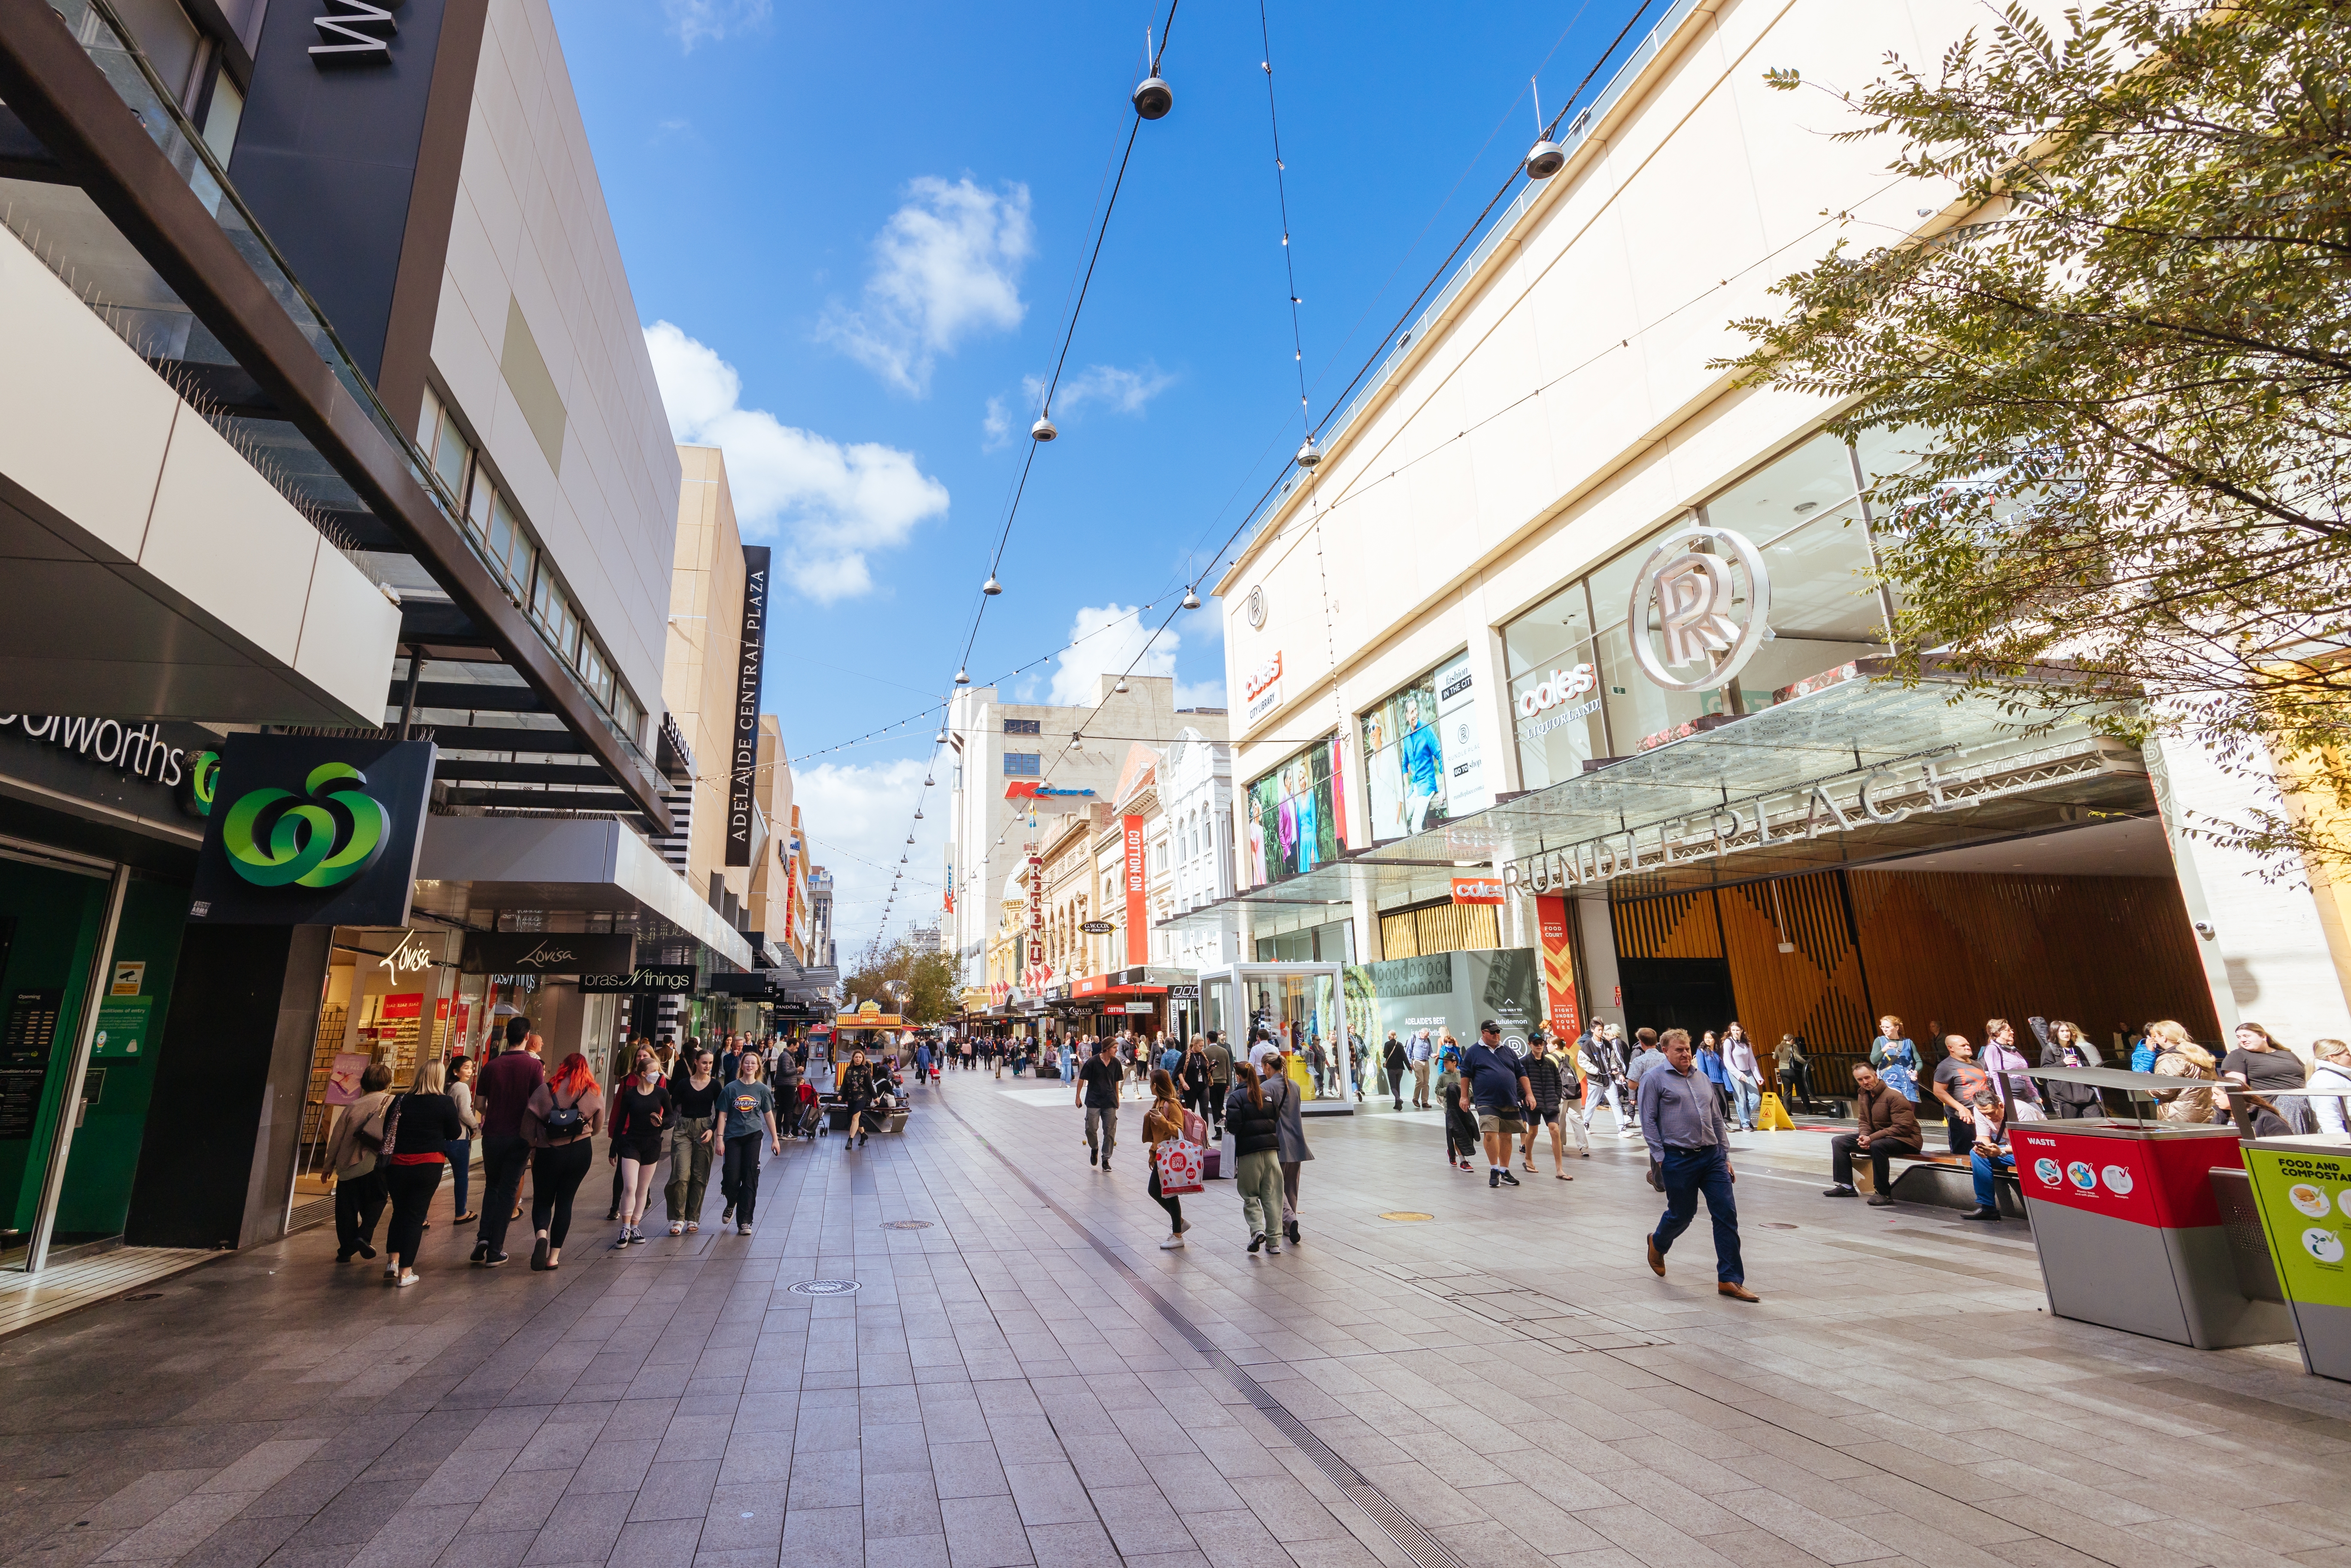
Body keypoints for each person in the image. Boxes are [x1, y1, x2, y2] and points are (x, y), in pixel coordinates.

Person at [1639, 1029, 1756, 1300]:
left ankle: (1729, 1279)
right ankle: (1658, 1242)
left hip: (1712, 1156)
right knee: (1683, 1214)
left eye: (1687, 1049)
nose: (1685, 1054)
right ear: (1665, 1051)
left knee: (1726, 1214)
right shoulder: (1654, 1079)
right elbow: (1648, 1121)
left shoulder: (1702, 1078)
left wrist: (1725, 1156)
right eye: (1678, 1050)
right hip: (1677, 1158)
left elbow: (1717, 1120)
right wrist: (1660, 1158)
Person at [383, 1061, 462, 1288]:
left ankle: (393, 1262)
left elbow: (387, 1129)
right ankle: (406, 1273)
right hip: (428, 1164)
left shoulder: (400, 1100)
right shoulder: (445, 1103)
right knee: (416, 1216)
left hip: (397, 1164)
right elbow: (455, 1133)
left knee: (399, 1211)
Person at [523, 1051, 603, 1271]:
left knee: (542, 1200)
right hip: (579, 1152)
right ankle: (553, 1258)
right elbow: (597, 1129)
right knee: (565, 1201)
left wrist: (533, 1145)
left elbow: (527, 1129)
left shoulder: (545, 1090)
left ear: (563, 1067)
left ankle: (541, 1236)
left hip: (547, 1153)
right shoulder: (593, 1092)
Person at [471, 1027, 544, 1265]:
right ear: (527, 1037)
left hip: (492, 1135)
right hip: (519, 1136)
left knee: (492, 1186)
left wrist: (493, 1115)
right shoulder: (534, 1066)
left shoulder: (491, 1066)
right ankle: (495, 1250)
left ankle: (484, 1237)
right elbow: (538, 1102)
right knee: (508, 1191)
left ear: (506, 1037)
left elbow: (480, 1103)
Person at [1822, 1063, 1920, 1204]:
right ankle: (1846, 1187)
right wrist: (1864, 1136)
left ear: (1875, 1075)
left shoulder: (1894, 1096)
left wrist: (1871, 1138)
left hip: (1907, 1140)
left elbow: (1903, 1128)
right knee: (1839, 1141)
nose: (1865, 1082)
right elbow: (1863, 1120)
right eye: (1860, 1080)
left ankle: (1883, 1193)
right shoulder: (1863, 1095)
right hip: (1877, 1137)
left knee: (1878, 1146)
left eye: (1867, 1078)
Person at [327, 1063, 395, 1263]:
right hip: (377, 1162)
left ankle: (346, 1250)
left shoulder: (353, 1106)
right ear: (388, 1083)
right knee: (377, 1199)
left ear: (363, 1083)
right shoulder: (394, 1103)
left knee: (346, 1208)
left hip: (348, 1165)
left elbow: (336, 1138)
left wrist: (328, 1165)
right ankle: (363, 1235)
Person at [607, 1045, 671, 1247]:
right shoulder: (630, 1095)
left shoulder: (662, 1093)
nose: (657, 1074)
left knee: (642, 1189)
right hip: (631, 1143)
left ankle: (635, 1226)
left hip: (652, 1143)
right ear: (644, 1074)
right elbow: (620, 1121)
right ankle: (625, 1228)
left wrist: (662, 1122)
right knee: (630, 1186)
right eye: (653, 1071)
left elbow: (671, 1117)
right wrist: (613, 1148)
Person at [1461, 1020, 1534, 1190]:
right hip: (1486, 1100)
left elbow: (1521, 1073)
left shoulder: (1508, 1051)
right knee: (1490, 1133)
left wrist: (1529, 1093)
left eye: (1498, 1032)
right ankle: (1494, 1169)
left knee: (1507, 1135)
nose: (1496, 1035)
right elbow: (1465, 1075)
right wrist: (1464, 1097)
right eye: (1492, 1032)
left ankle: (1505, 1170)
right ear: (1483, 1033)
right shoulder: (1473, 1052)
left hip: (1509, 1099)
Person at [1224, 1061, 1285, 1255]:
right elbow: (1275, 1118)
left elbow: (1234, 1127)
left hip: (1249, 1153)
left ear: (1239, 1076)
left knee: (1250, 1195)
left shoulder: (1236, 1097)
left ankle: (1257, 1230)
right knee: (1273, 1196)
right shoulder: (1266, 1095)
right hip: (1272, 1152)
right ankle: (1274, 1243)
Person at [717, 1051, 780, 1234]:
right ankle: (731, 1201)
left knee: (751, 1176)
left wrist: (775, 1140)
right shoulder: (730, 1088)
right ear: (742, 1066)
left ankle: (745, 1221)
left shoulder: (762, 1090)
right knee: (732, 1176)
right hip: (732, 1137)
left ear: (758, 1067)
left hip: (753, 1136)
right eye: (747, 1063)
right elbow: (722, 1115)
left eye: (753, 1063)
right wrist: (719, 1139)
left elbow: (768, 1116)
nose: (750, 1066)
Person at [665, 1047, 721, 1234]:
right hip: (683, 1129)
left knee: (700, 1176)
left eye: (711, 1063)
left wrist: (713, 1131)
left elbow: (721, 1112)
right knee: (681, 1175)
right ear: (696, 1062)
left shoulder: (715, 1086)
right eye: (704, 1062)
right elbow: (671, 1107)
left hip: (705, 1129)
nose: (708, 1066)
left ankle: (693, 1218)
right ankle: (679, 1218)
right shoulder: (683, 1084)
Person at [2221, 1020, 2308, 1136]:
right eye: (2239, 1037)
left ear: (2263, 1036)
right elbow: (2237, 1088)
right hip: (2274, 1103)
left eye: (2247, 1036)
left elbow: (2307, 1076)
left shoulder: (2287, 1054)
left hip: (2304, 1100)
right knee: (2292, 1104)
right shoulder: (2238, 1056)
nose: (2242, 1040)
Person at [1142, 1069, 1194, 1250]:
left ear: (1156, 1085)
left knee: (1169, 1194)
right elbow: (1158, 1134)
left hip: (1170, 1155)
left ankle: (1178, 1234)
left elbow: (1179, 1131)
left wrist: (1162, 1121)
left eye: (1150, 1082)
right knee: (1156, 1191)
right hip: (1161, 1155)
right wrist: (1152, 1152)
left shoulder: (1171, 1105)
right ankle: (1179, 1223)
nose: (1149, 1085)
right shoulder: (1158, 1103)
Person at [1519, 1033, 1579, 1178]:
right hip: (1532, 1102)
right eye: (1536, 1043)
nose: (1539, 1046)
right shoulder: (1524, 1062)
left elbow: (1558, 1082)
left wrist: (1557, 1096)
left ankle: (1559, 1169)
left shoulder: (1550, 1063)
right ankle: (1528, 1158)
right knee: (1533, 1132)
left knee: (1555, 1131)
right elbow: (1518, 1081)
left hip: (1550, 1101)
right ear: (1530, 1044)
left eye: (1541, 1043)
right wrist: (1523, 1096)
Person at [1270, 1050, 1311, 1244]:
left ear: (1268, 1067)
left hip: (1278, 1144)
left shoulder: (1266, 1088)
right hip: (1297, 1143)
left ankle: (1290, 1219)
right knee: (1292, 1186)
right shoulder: (1294, 1086)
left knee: (1275, 1186)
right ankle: (1289, 1226)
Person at [1929, 1034, 1991, 1156]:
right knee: (1963, 1153)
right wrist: (1961, 1109)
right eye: (1963, 1046)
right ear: (1951, 1048)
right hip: (1962, 1118)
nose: (1968, 1047)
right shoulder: (1946, 1066)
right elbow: (1939, 1091)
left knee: (1987, 1150)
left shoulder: (1977, 1064)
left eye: (1968, 1044)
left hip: (1984, 1116)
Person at [2149, 1021, 2219, 1124]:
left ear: (2164, 1037)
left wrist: (2148, 1083)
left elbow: (2164, 1091)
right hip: (2208, 1114)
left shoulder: (2170, 1059)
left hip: (2180, 1119)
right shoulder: (2199, 1055)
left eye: (2156, 1036)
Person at [440, 1055, 481, 1224]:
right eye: (466, 1068)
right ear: (456, 1071)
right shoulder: (462, 1088)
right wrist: (474, 1126)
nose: (470, 1071)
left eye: (471, 1067)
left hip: (442, 1137)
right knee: (461, 1177)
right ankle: (461, 1212)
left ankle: (422, 1217)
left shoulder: (445, 1087)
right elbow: (464, 1112)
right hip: (458, 1137)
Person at [1963, 1089, 2014, 1222]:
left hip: (2035, 1151)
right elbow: (1984, 1136)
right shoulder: (1981, 1111)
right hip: (2014, 1150)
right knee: (1976, 1154)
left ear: (2001, 1105)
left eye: (1992, 1113)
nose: (1989, 1117)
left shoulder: (2020, 1110)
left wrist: (2001, 1152)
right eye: (1984, 1114)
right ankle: (1987, 1207)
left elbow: (2028, 1145)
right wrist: (1983, 1148)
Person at [2038, 1020, 2103, 1118]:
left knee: (2098, 1124)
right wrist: (2063, 1063)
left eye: (2068, 1031)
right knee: (2075, 1128)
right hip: (2065, 1097)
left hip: (2086, 1094)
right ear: (2055, 1033)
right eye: (2062, 1031)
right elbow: (2045, 1070)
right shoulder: (2049, 1050)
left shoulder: (2077, 1049)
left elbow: (2088, 1068)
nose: (2066, 1034)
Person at [1078, 1036, 1124, 1171]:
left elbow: (1116, 1081)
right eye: (1115, 1048)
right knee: (1091, 1129)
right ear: (1107, 1048)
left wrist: (1117, 1099)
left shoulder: (1116, 1063)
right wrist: (1078, 1097)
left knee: (1110, 1131)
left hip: (1110, 1101)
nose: (1117, 1050)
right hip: (1093, 1100)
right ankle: (1095, 1148)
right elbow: (1082, 1078)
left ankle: (1106, 1159)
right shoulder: (1093, 1062)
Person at [1981, 1019, 2041, 1112]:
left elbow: (2025, 1075)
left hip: (2024, 1092)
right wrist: (2003, 1098)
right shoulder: (1993, 1049)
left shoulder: (2014, 1051)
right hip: (2010, 1092)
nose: (2012, 1032)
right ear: (1997, 1033)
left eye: (2011, 1029)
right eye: (2008, 1030)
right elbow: (1996, 1075)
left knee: (2040, 1116)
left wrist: (2034, 1094)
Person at [1434, 1045, 1476, 1170]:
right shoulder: (1443, 1076)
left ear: (1454, 1062)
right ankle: (1464, 1161)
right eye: (1444, 1062)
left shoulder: (1463, 1074)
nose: (1445, 1064)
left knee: (1464, 1133)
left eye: (1447, 1062)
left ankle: (1452, 1152)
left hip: (1463, 1109)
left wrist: (1460, 1090)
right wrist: (1449, 1089)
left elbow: (1470, 1091)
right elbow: (1437, 1090)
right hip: (1450, 1109)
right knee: (1457, 1133)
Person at [1868, 1017, 1920, 1108]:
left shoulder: (1908, 1042)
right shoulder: (1880, 1041)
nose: (1885, 1030)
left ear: (1897, 1028)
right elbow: (1874, 1060)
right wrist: (1884, 1049)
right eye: (1882, 1027)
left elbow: (1919, 1061)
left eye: (1887, 1027)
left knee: (1909, 1112)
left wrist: (1916, 1072)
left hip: (1908, 1082)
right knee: (1895, 1108)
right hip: (1889, 1081)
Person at [1722, 1024, 1763, 1130]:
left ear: (1742, 1031)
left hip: (1748, 1072)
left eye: (1738, 1030)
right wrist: (1739, 1075)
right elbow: (1727, 1061)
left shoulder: (1746, 1043)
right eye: (1733, 1030)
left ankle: (1745, 1119)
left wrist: (1758, 1076)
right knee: (1741, 1099)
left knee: (1756, 1099)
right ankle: (1745, 1124)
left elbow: (1752, 1061)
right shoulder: (1729, 1042)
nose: (1736, 1032)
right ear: (1730, 1031)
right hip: (1735, 1073)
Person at [838, 1047, 881, 1149]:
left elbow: (870, 1085)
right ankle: (863, 1134)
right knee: (855, 1118)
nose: (858, 1059)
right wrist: (840, 1094)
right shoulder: (848, 1070)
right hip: (851, 1097)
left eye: (860, 1058)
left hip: (862, 1097)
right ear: (853, 1058)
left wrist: (875, 1097)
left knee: (855, 1117)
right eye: (856, 1057)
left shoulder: (865, 1070)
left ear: (863, 1059)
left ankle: (850, 1140)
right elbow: (844, 1084)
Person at [2308, 1039, 2351, 1136]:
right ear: (2333, 1057)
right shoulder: (2326, 1078)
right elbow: (2327, 1111)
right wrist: (2340, 1139)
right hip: (2346, 1130)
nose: (2350, 1057)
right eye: (2347, 1054)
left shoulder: (2336, 1075)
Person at [1204, 1030, 1234, 1139]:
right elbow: (1228, 1069)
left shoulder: (1205, 1052)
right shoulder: (1224, 1051)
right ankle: (1227, 1128)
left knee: (1215, 1107)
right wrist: (1228, 1083)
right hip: (1222, 1082)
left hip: (1211, 1083)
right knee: (1221, 1106)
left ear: (1208, 1039)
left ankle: (1218, 1131)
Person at [1774, 1033, 1812, 1111]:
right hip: (1793, 1071)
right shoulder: (1793, 1046)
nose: (1794, 1042)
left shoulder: (1778, 1047)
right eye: (1794, 1040)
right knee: (1802, 1090)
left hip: (1783, 1071)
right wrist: (1809, 1065)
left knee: (1787, 1091)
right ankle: (1808, 1110)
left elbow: (1775, 1057)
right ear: (1791, 1040)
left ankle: (1787, 1111)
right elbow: (1799, 1059)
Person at [1382, 1033, 1410, 1111]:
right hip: (1400, 1069)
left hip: (1391, 1068)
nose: (1388, 1036)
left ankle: (1398, 1099)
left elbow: (1385, 1056)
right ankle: (1397, 1105)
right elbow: (1404, 1057)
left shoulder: (1387, 1044)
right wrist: (1409, 1068)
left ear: (1390, 1036)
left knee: (1393, 1087)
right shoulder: (1400, 1045)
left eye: (1388, 1034)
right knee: (1398, 1086)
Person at [1408, 1028, 1435, 1108]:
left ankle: (1425, 1102)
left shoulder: (1428, 1040)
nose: (1427, 1037)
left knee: (1426, 1083)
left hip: (1426, 1062)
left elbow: (1430, 1051)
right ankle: (1415, 1099)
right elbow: (1408, 1051)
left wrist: (1432, 1055)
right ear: (1421, 1033)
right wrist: (1410, 1063)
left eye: (1428, 1036)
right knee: (1420, 1081)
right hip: (1417, 1061)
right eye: (1426, 1036)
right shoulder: (1413, 1038)